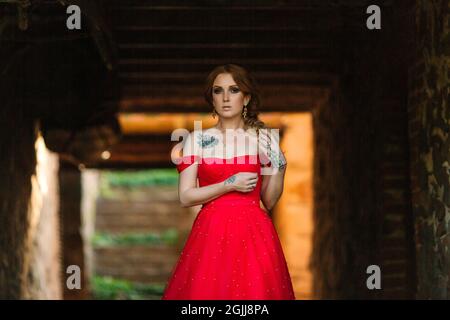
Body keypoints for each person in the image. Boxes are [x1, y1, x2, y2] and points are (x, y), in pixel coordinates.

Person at [162, 64, 295, 300]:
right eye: (218, 91)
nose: (225, 97)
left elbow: (269, 200)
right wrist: (228, 184)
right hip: (211, 233)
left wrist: (280, 167)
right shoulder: (197, 139)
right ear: (211, 99)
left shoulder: (261, 138)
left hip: (254, 233)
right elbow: (185, 196)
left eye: (234, 90)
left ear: (246, 98)